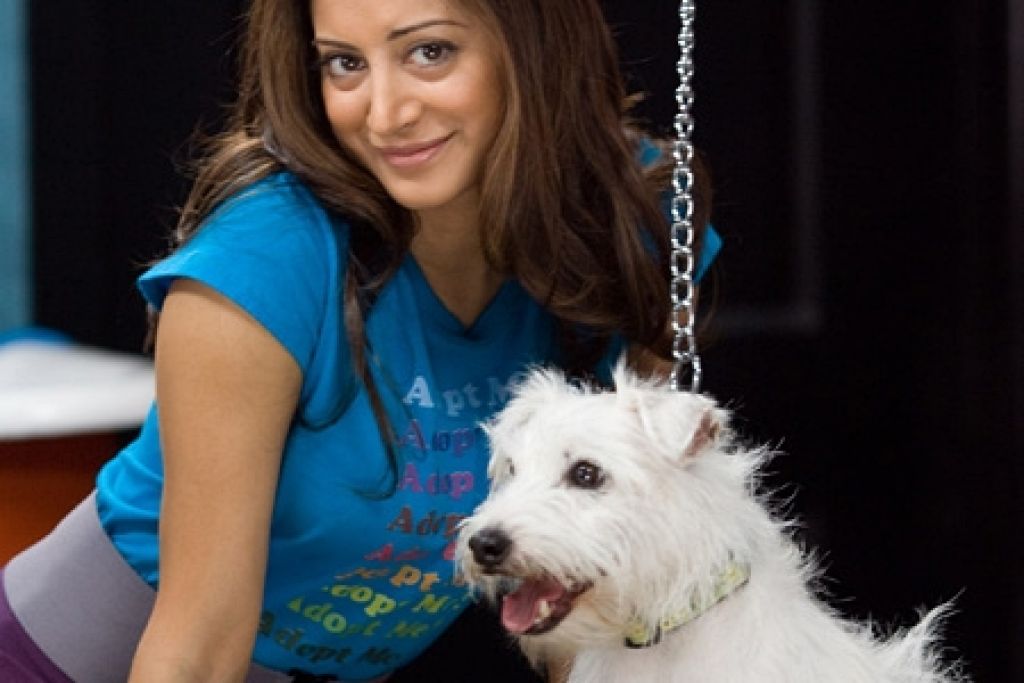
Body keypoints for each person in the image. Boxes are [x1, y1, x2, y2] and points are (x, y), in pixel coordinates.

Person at [0, 0, 719, 681]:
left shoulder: (632, 225)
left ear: (535, 44)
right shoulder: (265, 255)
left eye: (430, 52)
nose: (385, 114)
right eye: (344, 63)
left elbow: (601, 587)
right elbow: (199, 647)